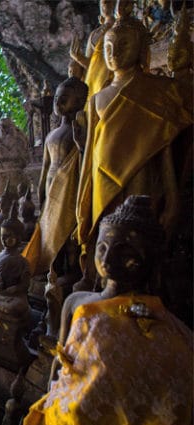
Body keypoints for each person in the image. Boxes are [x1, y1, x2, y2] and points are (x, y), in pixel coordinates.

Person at [23, 196, 193, 425]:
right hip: (73, 411)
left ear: (152, 260)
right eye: (102, 248)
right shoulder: (77, 302)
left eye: (126, 253)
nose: (109, 258)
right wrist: (51, 397)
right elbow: (61, 358)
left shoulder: (162, 324)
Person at [74, 18, 192, 290]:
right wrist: (84, 198)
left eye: (124, 44)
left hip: (141, 175)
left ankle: (143, 290)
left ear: (141, 48)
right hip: (102, 180)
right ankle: (104, 289)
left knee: (138, 237)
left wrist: (173, 198)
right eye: (109, 46)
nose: (114, 52)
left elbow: (162, 148)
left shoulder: (156, 91)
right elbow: (89, 154)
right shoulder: (97, 98)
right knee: (106, 237)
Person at [24, 77, 88, 278]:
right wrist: (41, 192)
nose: (58, 104)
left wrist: (81, 146)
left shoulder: (80, 131)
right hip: (52, 186)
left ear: (79, 102)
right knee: (48, 231)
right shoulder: (51, 135)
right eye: (57, 100)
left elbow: (88, 162)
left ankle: (72, 271)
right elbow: (45, 167)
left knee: (69, 233)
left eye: (64, 100)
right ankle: (53, 267)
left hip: (71, 187)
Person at [69, 0, 115, 101]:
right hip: (97, 84)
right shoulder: (94, 34)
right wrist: (78, 60)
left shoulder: (123, 26)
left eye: (108, 2)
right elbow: (90, 69)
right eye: (103, 3)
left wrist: (80, 59)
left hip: (114, 79)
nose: (105, 5)